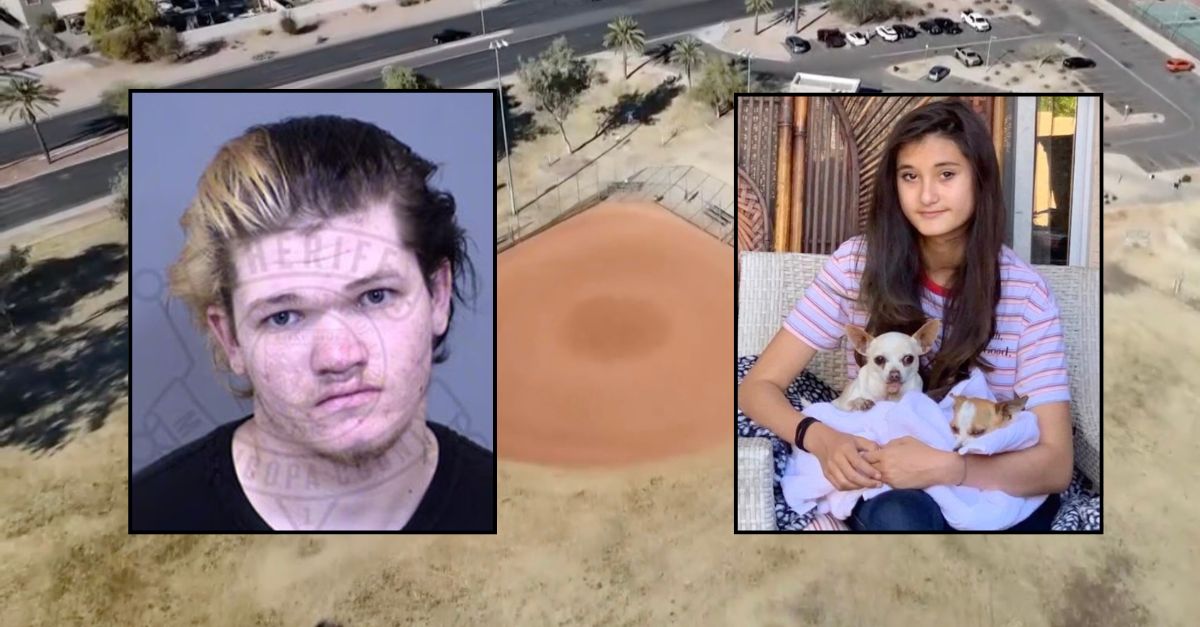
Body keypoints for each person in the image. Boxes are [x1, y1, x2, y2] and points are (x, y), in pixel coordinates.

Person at [131, 114, 494, 532]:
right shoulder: (149, 517)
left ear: (439, 295)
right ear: (229, 338)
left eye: (375, 296)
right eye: (283, 317)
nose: (338, 358)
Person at [738, 100, 1072, 531]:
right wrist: (821, 438)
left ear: (980, 181)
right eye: (909, 176)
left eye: (946, 175)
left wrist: (950, 469)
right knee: (900, 515)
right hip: (885, 482)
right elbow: (757, 388)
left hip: (987, 485)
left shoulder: (1025, 296)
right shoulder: (855, 266)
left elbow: (1056, 463)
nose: (927, 195)